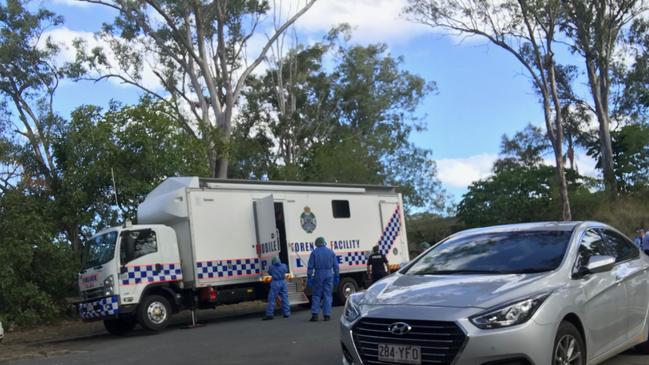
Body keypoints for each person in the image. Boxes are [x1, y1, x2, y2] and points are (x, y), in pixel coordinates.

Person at [307, 237, 339, 322]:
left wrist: (309, 277)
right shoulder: (331, 252)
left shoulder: (314, 252)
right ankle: (327, 315)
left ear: (317, 244)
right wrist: (336, 276)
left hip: (318, 274)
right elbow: (336, 266)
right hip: (329, 274)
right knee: (327, 295)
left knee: (316, 295)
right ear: (324, 243)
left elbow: (310, 266)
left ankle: (315, 315)